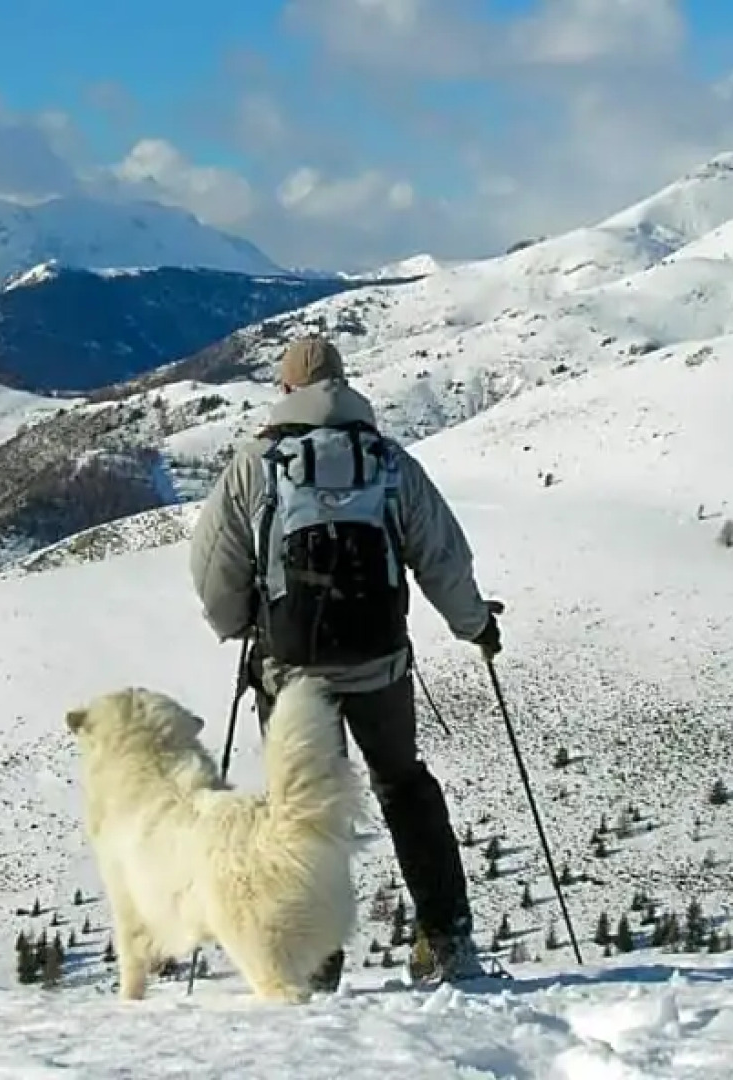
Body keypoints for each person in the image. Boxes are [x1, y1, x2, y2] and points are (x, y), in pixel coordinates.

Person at [187, 334, 503, 988]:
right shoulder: (388, 462)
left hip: (291, 676)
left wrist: (241, 626)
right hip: (380, 666)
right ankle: (447, 944)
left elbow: (213, 568)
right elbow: (441, 556)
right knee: (405, 789)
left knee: (303, 811)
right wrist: (475, 626)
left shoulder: (255, 463)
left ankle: (313, 965)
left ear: (284, 391)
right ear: (344, 383)